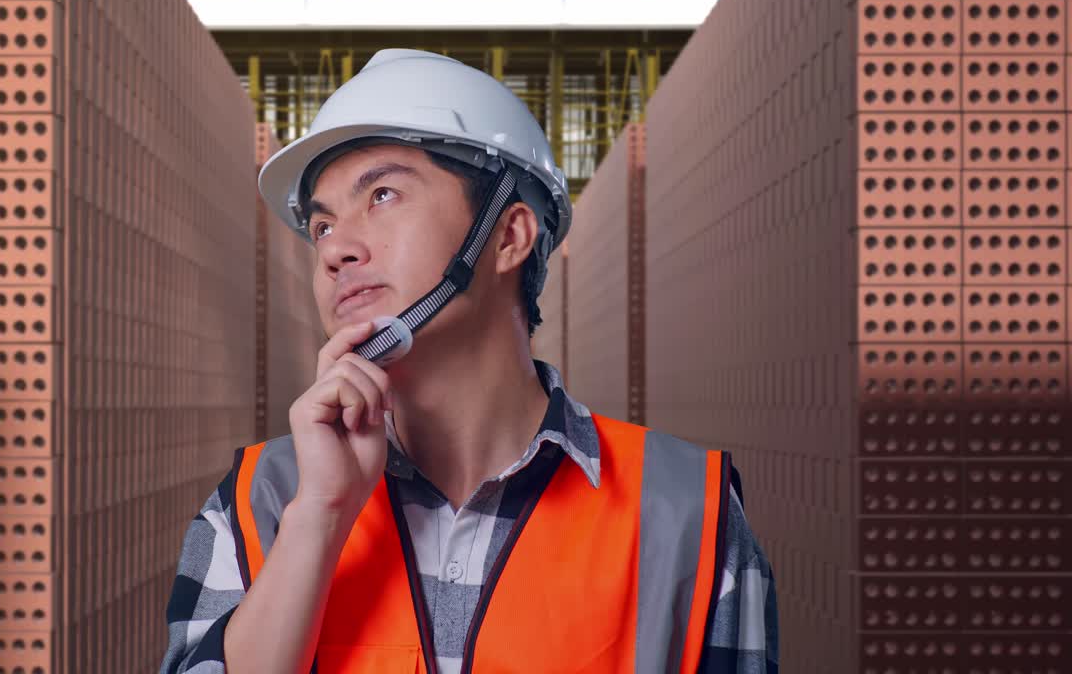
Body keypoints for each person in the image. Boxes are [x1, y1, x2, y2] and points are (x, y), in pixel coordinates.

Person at [158, 49, 778, 674]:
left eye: (383, 194)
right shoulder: (259, 501)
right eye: (321, 227)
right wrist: (318, 517)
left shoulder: (684, 511)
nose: (335, 249)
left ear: (509, 236)